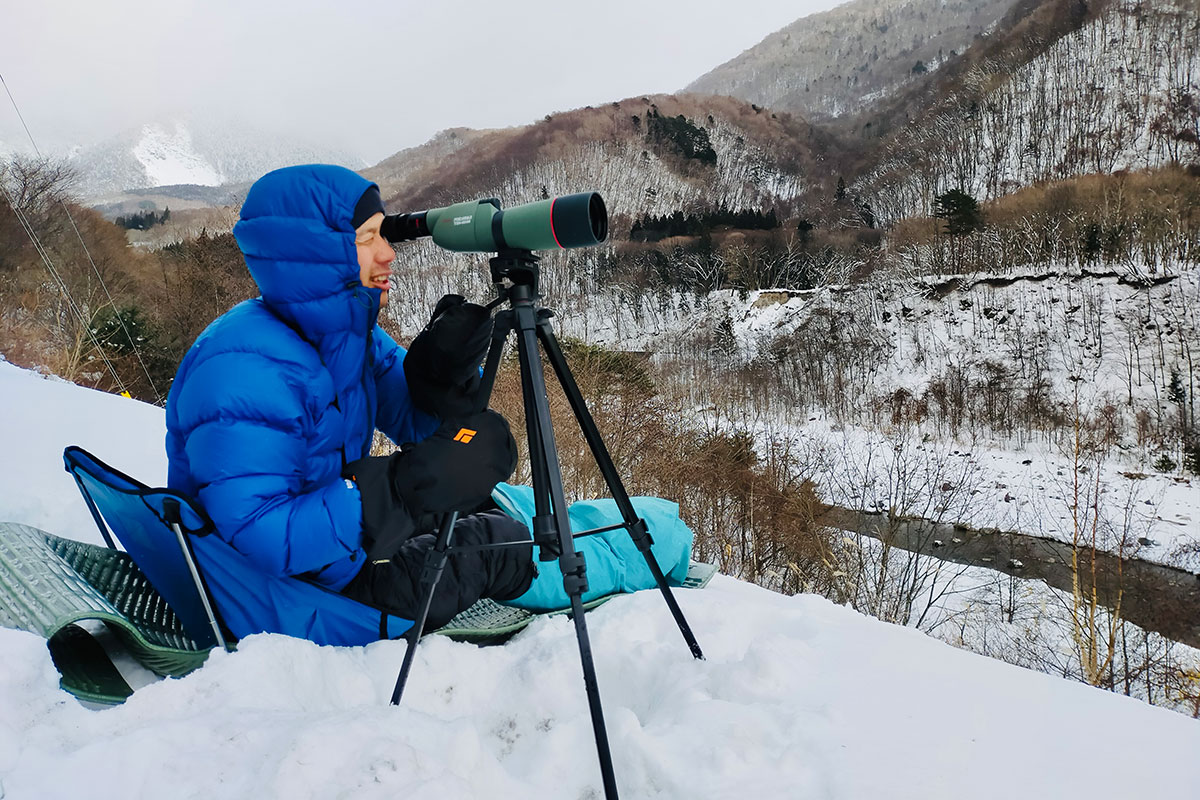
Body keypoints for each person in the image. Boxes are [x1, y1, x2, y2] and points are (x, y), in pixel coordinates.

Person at [165, 164, 535, 632]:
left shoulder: (343, 333)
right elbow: (260, 534)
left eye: (383, 236)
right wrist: (395, 490)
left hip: (327, 546)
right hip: (286, 593)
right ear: (318, 256)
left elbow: (418, 423)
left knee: (478, 503)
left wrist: (445, 376)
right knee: (504, 544)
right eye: (367, 239)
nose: (387, 255)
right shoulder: (244, 372)